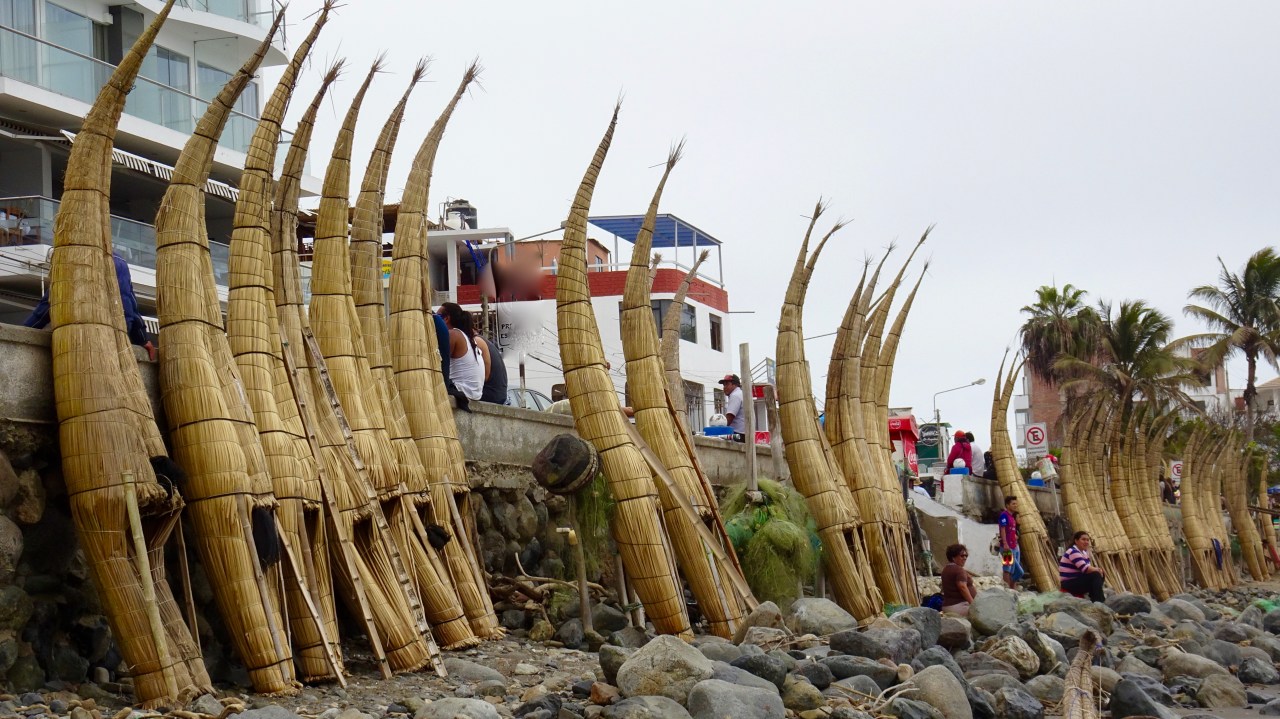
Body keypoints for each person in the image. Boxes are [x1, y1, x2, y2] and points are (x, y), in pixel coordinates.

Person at [24, 252, 154, 357]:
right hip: (117, 336)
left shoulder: (74, 257)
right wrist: (141, 338)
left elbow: (49, 304)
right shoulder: (118, 261)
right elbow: (129, 303)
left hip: (81, 338)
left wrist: (27, 329)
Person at [437, 302, 484, 401]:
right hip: (473, 393)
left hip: (462, 390)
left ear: (446, 318)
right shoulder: (466, 337)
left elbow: (438, 363)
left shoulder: (453, 334)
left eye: (437, 317)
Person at [1060, 530, 1106, 602]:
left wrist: (1099, 570)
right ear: (1076, 541)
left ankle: (1094, 597)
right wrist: (1097, 570)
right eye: (1083, 539)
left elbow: (1088, 569)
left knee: (1099, 574)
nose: (1086, 542)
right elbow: (1085, 569)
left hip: (1077, 580)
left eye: (1087, 540)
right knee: (1096, 575)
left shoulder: (1083, 553)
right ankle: (1099, 600)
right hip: (1069, 583)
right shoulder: (1073, 552)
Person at [940, 543, 976, 616]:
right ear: (953, 557)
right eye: (962, 555)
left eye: (966, 556)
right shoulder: (959, 570)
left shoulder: (946, 569)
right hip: (959, 606)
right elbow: (962, 587)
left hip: (948, 606)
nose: (965, 558)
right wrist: (973, 604)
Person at [998, 496, 1024, 589]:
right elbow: (1003, 530)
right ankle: (1007, 590)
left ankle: (1012, 589)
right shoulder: (1004, 515)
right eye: (1013, 504)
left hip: (1013, 547)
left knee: (1014, 571)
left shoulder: (1012, 517)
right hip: (1007, 548)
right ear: (1007, 505)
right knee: (1007, 570)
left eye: (1016, 503)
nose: (1015, 505)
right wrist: (1005, 544)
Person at [478, 334, 508, 404]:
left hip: (490, 396)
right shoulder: (487, 343)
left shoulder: (477, 342)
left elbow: (484, 377)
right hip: (498, 396)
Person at [718, 374, 746, 442]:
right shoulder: (742, 394)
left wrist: (718, 430)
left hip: (738, 434)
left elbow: (729, 418)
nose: (724, 387)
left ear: (735, 385)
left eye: (727, 384)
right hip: (745, 434)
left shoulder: (735, 396)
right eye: (724, 385)